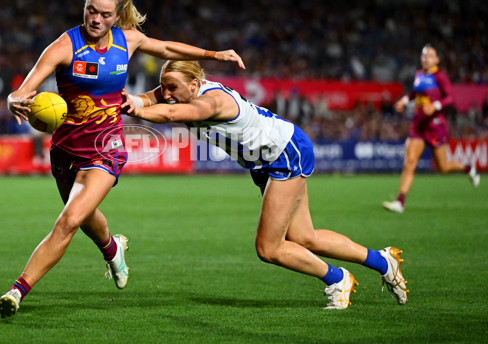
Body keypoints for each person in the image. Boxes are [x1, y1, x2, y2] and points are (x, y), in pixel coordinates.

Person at [0, 0, 245, 318]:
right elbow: (22, 91)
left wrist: (216, 54)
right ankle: (113, 249)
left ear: (118, 15)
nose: (96, 19)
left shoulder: (128, 40)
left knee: (68, 221)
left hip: (106, 146)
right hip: (66, 147)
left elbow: (169, 49)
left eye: (105, 14)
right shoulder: (63, 47)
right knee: (83, 218)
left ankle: (16, 291)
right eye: (91, 11)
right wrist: (13, 100)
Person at [123, 60, 408, 309]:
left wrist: (134, 111)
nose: (167, 94)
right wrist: (130, 99)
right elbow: (153, 97)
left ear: (194, 83)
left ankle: (338, 279)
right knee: (304, 237)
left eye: (172, 88)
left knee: (269, 248)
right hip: (269, 159)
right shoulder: (181, 89)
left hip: (283, 152)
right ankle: (383, 262)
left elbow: (171, 115)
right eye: (164, 87)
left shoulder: (212, 102)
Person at [382, 44, 480, 214]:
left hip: (435, 125)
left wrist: (435, 106)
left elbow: (450, 97)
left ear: (436, 60)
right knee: (410, 162)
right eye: (424, 56)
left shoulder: (440, 76)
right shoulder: (419, 75)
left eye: (430, 56)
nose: (426, 58)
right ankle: (400, 201)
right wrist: (404, 101)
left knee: (442, 167)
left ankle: (468, 168)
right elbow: (414, 93)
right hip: (418, 126)